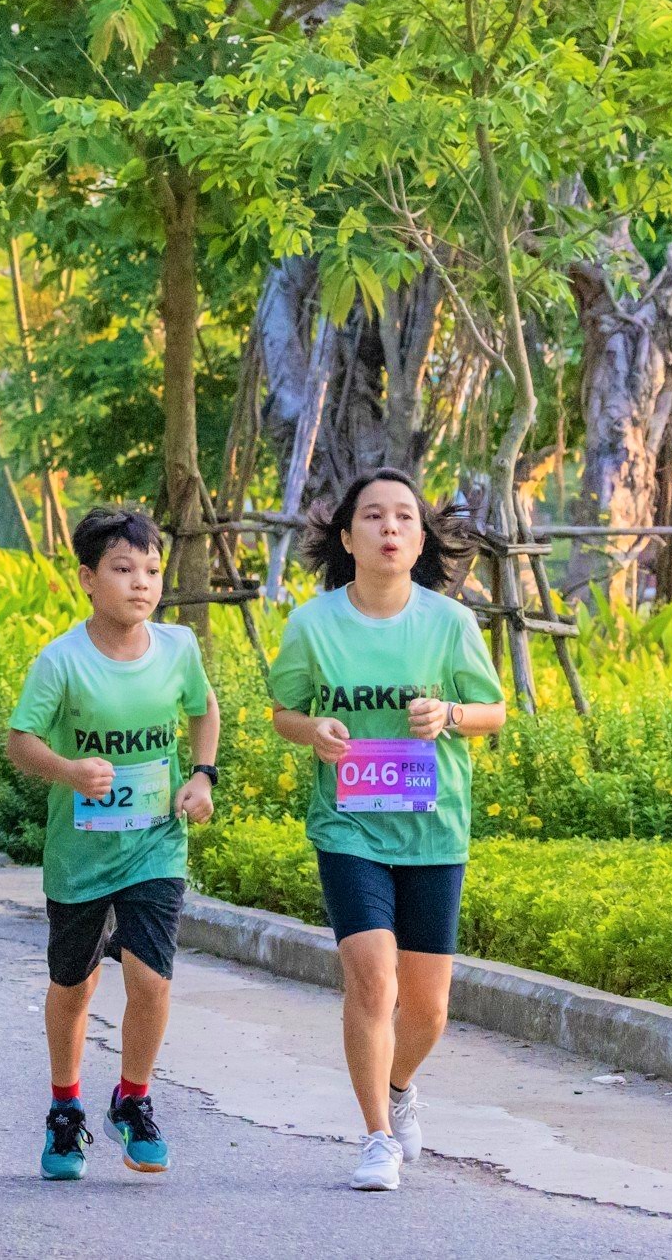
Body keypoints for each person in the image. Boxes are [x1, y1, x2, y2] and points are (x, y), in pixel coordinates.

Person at [267, 469, 505, 1191]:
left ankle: (399, 1086)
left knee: (428, 1008)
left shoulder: (451, 623)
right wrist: (315, 730)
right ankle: (377, 1137)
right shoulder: (314, 624)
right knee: (372, 979)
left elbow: (494, 710)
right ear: (347, 536)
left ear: (421, 537)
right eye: (374, 516)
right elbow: (284, 713)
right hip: (349, 826)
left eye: (405, 516)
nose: (391, 528)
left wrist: (451, 716)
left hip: (433, 830)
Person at [6, 507, 220, 1181]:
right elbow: (20, 741)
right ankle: (65, 1110)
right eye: (123, 569)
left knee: (151, 978)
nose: (141, 583)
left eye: (151, 570)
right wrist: (69, 770)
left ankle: (133, 1097)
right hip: (82, 854)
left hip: (157, 843)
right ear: (88, 578)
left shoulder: (179, 647)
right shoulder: (61, 660)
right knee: (74, 984)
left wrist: (202, 776)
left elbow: (203, 708)